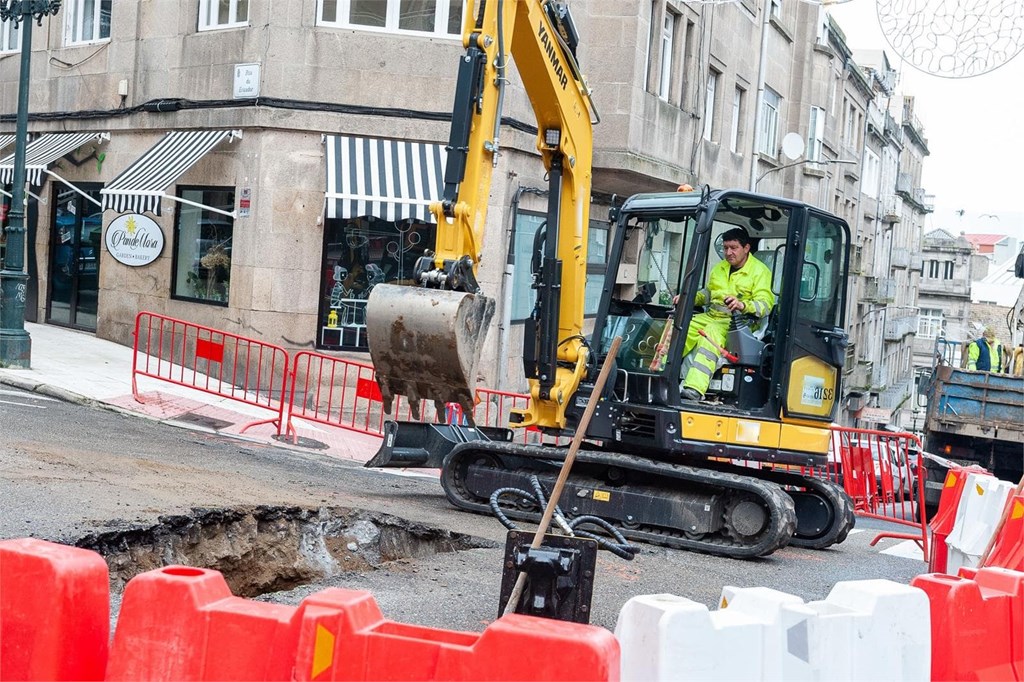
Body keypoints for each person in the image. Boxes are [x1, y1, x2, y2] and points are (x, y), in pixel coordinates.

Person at [679, 227, 774, 401]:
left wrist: (742, 304)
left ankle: (694, 388)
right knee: (679, 326)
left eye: (733, 248)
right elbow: (709, 294)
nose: (728, 253)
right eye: (725, 248)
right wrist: (688, 298)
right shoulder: (719, 268)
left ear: (746, 248)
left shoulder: (760, 272)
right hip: (712, 316)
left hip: (739, 323)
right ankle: (659, 374)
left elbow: (765, 305)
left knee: (711, 333)